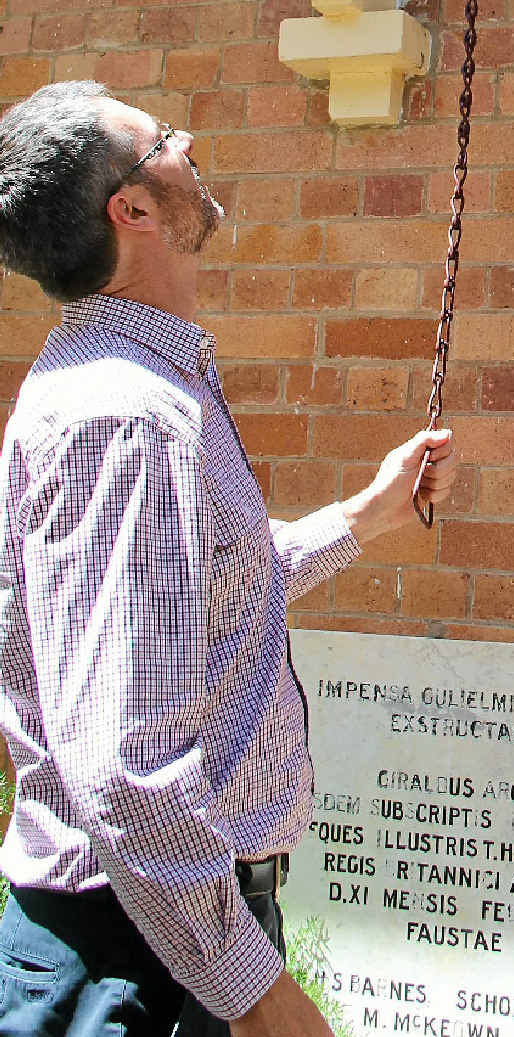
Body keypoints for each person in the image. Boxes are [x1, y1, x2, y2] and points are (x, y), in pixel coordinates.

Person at [0, 79, 457, 1037]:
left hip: (164, 926)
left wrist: (362, 517)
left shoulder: (134, 389)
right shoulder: (124, 414)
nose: (190, 136)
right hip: (140, 954)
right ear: (130, 210)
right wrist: (257, 995)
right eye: (163, 138)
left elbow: (197, 607)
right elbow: (127, 769)